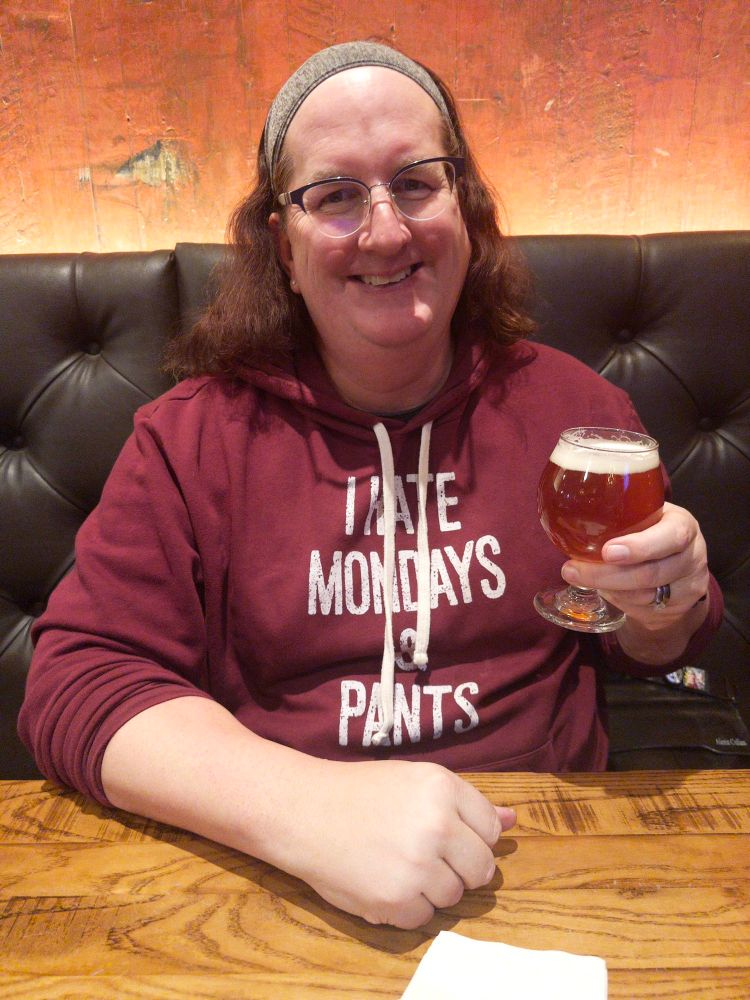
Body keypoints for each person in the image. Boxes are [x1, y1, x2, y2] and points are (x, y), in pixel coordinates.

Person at [19, 41, 721, 929]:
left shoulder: (578, 411)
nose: (386, 231)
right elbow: (77, 681)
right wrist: (307, 809)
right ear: (282, 240)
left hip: (552, 859)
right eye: (336, 195)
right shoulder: (191, 437)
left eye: (416, 182)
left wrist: (666, 608)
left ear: (464, 205)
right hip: (281, 877)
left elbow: (651, 648)